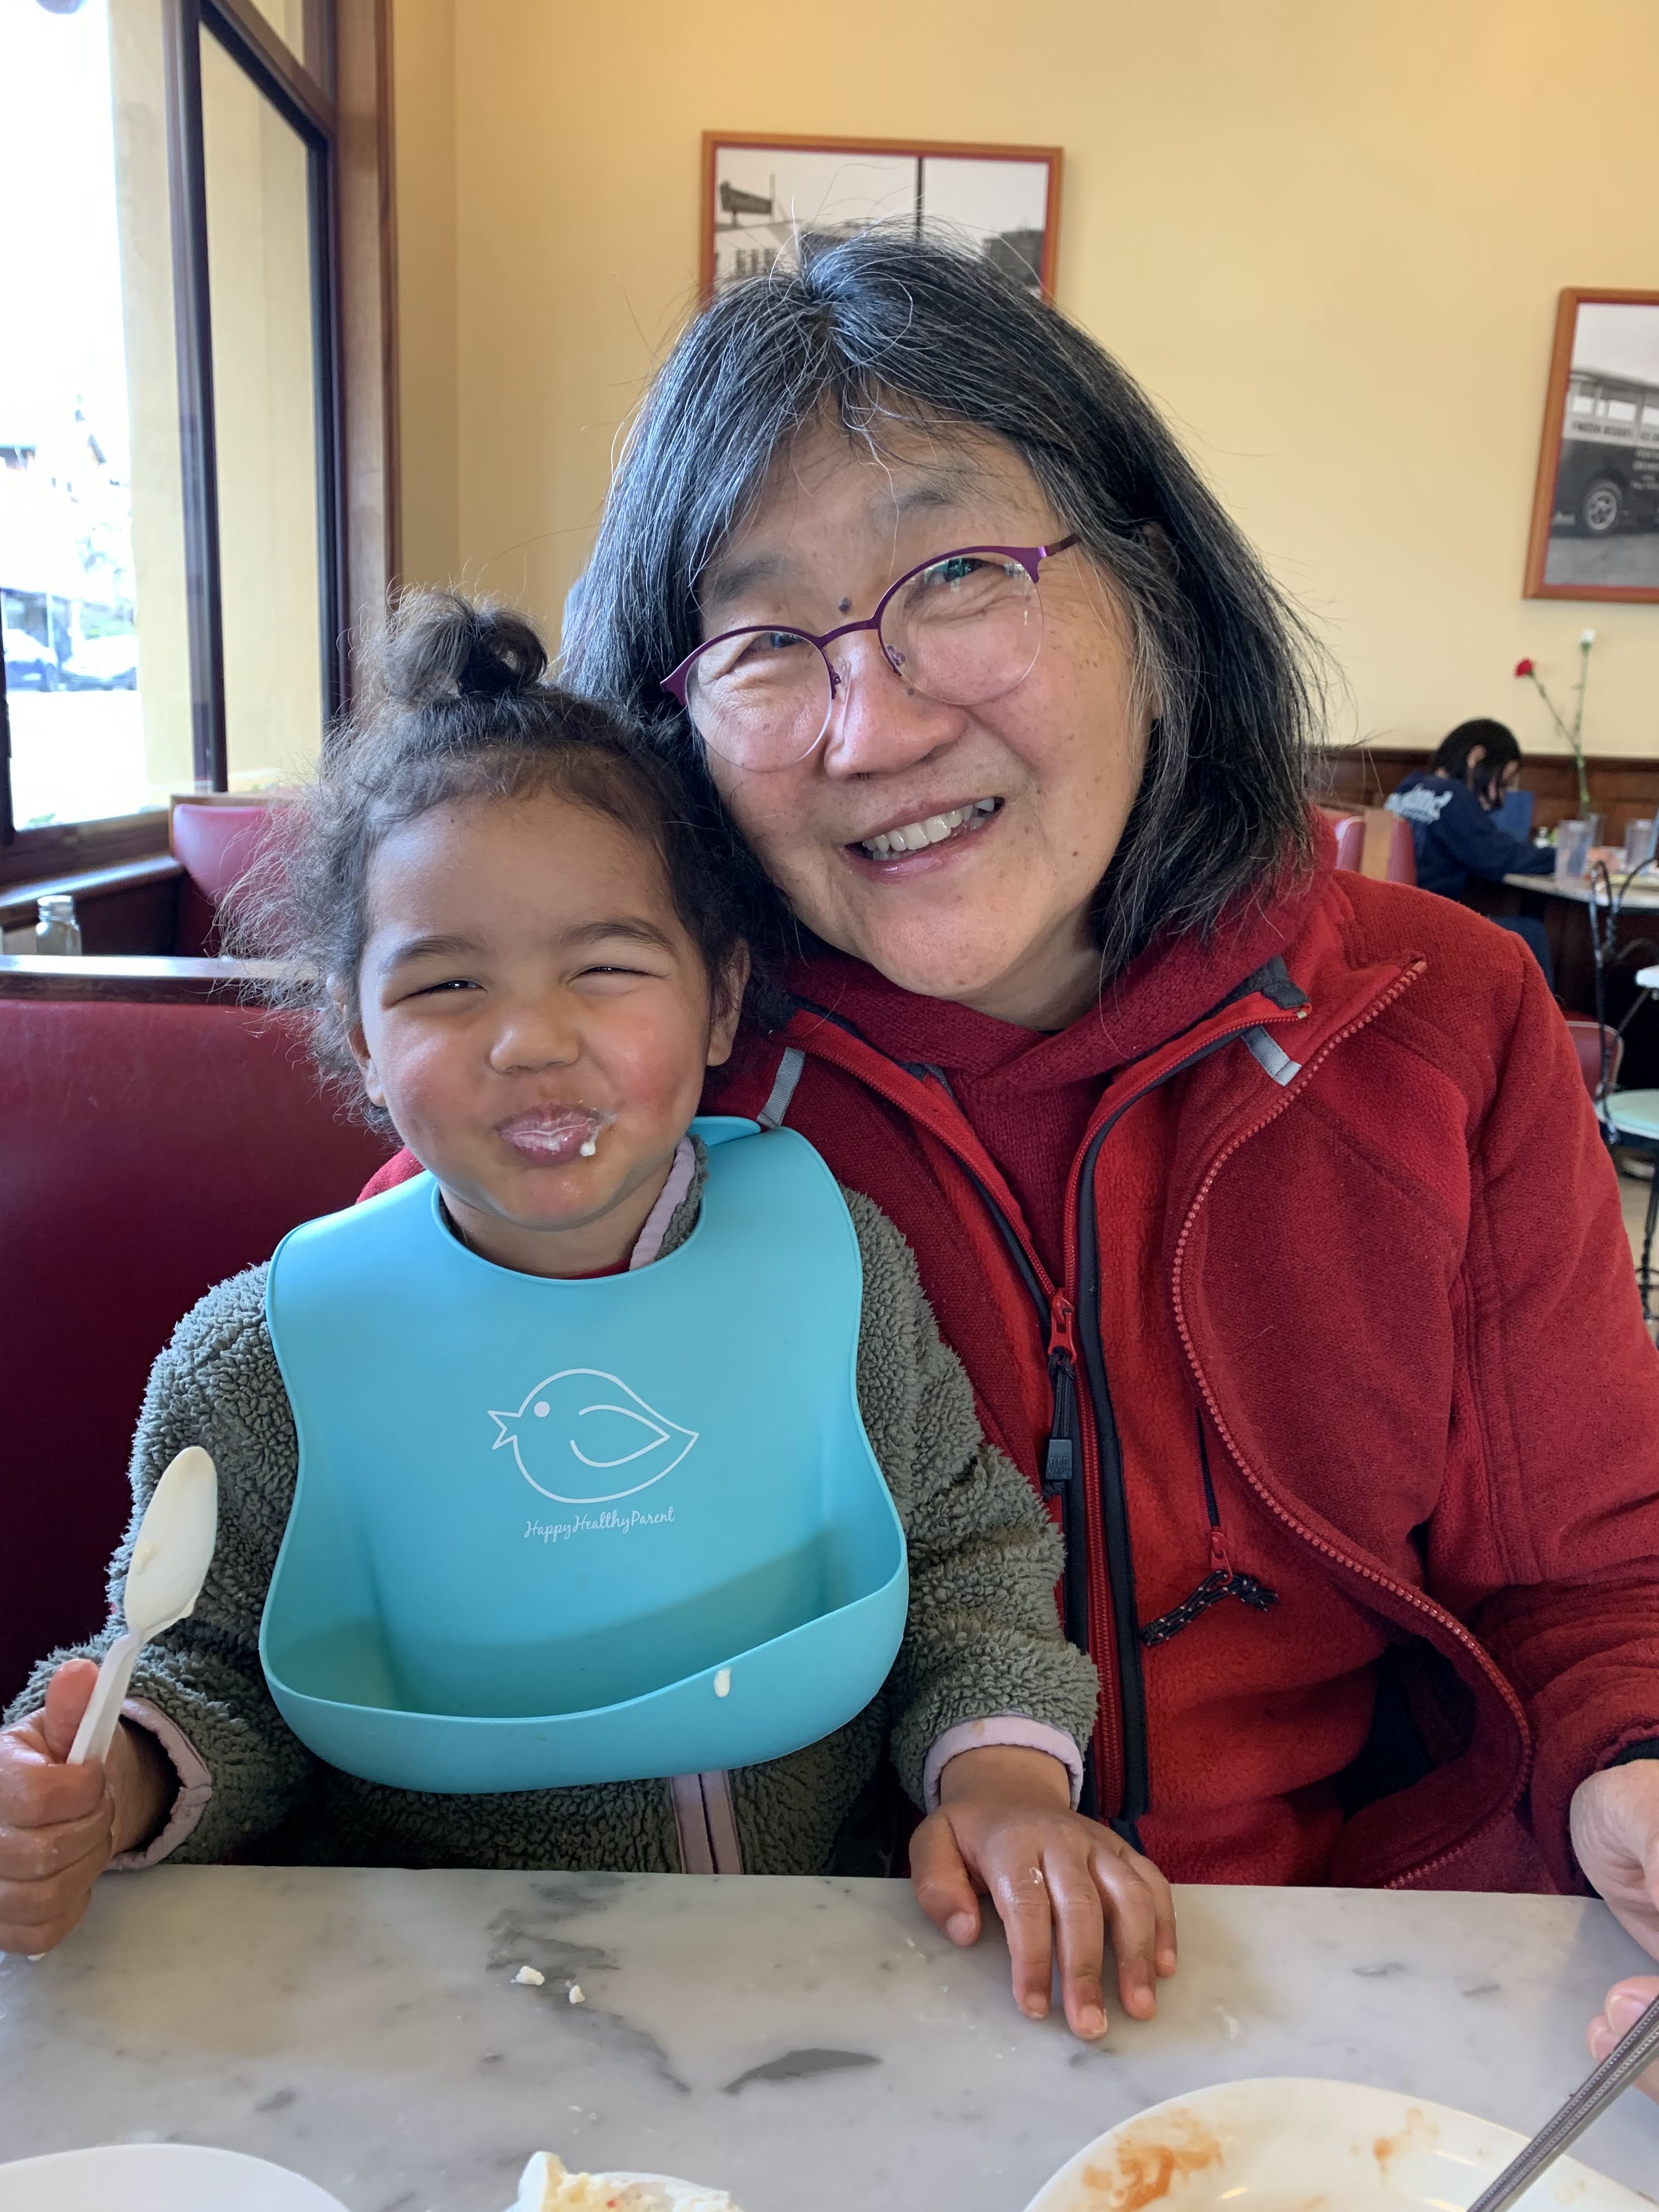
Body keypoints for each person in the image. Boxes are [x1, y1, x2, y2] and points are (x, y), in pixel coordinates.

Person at [520, 229, 1646, 2083]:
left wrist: (1632, 1762)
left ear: (1153, 588)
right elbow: (356, 1426)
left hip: (1353, 1992)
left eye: (958, 575)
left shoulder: (1440, 1017)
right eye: (764, 640)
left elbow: (1595, 1584)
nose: (874, 725)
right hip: (805, 2014)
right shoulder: (635, 1079)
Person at [0, 594, 1180, 2050]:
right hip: (437, 2009)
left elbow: (963, 1553)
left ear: (721, 1000)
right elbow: (205, 1669)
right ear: (361, 1037)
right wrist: (104, 1779)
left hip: (823, 1972)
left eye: (607, 968)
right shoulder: (265, 1362)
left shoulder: (840, 1266)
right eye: (446, 984)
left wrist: (999, 1782)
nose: (530, 1039)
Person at [1386, 718, 1558, 981]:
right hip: (1426, 932)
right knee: (1530, 933)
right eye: (1503, 782)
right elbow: (1498, 856)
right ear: (1476, 758)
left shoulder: (1409, 787)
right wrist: (1568, 857)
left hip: (1393, 924)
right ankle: (1542, 1010)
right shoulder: (1453, 796)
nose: (1502, 798)